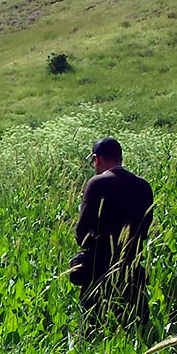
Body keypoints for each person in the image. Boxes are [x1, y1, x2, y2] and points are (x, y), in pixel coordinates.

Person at [68, 137, 154, 328]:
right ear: (120, 158)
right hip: (131, 272)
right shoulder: (143, 186)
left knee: (92, 333)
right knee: (137, 332)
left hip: (98, 272)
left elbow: (82, 234)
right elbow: (145, 230)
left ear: (97, 159)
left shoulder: (97, 184)